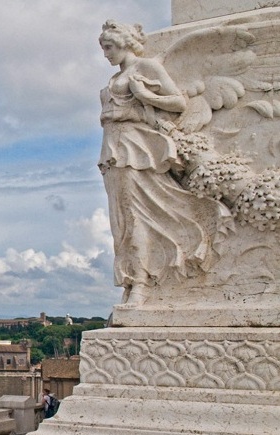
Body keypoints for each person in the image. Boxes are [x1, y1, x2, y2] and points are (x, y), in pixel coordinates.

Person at [97, 20, 231, 306]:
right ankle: (133, 283)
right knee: (121, 223)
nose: (105, 54)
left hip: (136, 151)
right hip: (113, 152)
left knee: (136, 219)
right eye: (103, 48)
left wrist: (144, 95)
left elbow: (177, 102)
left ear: (124, 44)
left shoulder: (146, 68)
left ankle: (143, 285)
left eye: (109, 47)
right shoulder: (114, 79)